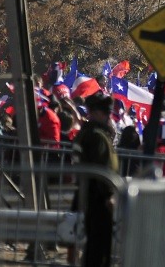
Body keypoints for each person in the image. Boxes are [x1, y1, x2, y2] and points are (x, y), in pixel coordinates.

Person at [71, 92, 119, 267]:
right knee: (98, 247)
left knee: (94, 245)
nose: (109, 117)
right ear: (97, 113)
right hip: (97, 198)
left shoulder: (91, 133)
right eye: (106, 113)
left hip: (89, 194)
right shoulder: (96, 136)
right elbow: (100, 168)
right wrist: (108, 195)